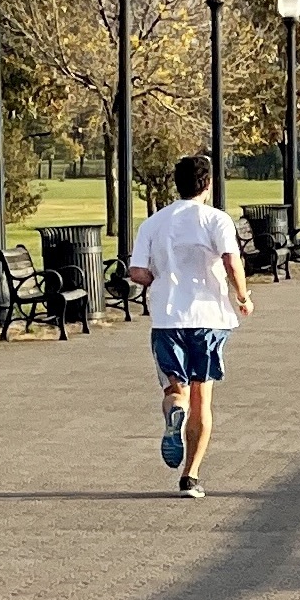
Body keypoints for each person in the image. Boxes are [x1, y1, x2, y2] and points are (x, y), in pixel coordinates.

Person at [126, 154, 252, 498]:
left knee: (175, 392)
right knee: (203, 398)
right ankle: (190, 477)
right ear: (208, 184)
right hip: (209, 318)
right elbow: (230, 260)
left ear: (175, 183)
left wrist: (155, 277)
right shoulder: (216, 220)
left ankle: (174, 414)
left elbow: (137, 272)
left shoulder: (153, 223)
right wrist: (242, 296)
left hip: (168, 319)